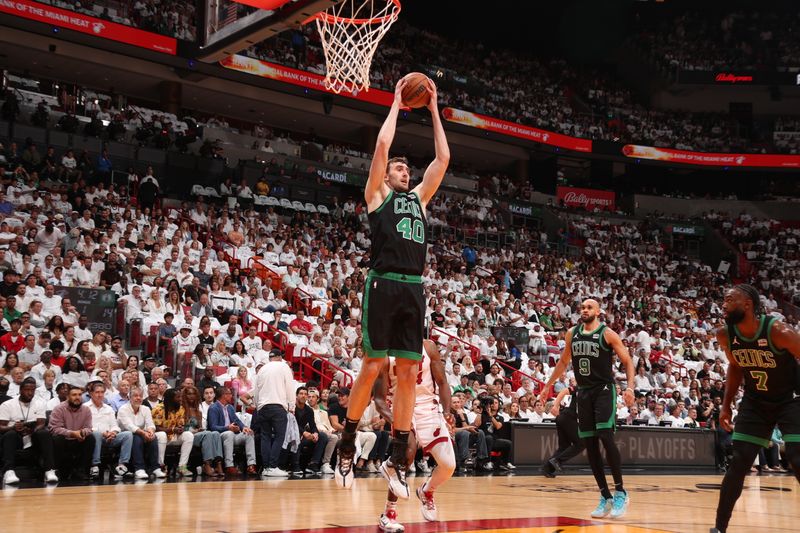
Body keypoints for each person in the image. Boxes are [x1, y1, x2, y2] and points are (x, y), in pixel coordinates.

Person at [336, 73, 450, 501]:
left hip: (414, 289)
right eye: (399, 167)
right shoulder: (377, 195)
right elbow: (382, 147)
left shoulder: (419, 199)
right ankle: (347, 442)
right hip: (383, 284)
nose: (405, 170)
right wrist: (398, 105)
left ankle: (398, 457)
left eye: (407, 168)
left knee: (406, 374)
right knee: (371, 367)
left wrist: (434, 108)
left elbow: (442, 160)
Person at [712, 285, 800, 533]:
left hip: (790, 398)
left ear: (747, 304)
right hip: (755, 401)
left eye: (730, 299)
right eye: (724, 299)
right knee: (739, 462)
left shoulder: (778, 331)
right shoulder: (725, 334)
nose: (724, 304)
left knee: (797, 457)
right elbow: (735, 367)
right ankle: (719, 528)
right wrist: (725, 406)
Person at [539, 298, 635, 519]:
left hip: (603, 390)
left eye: (589, 307)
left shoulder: (607, 334)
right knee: (590, 444)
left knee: (605, 436)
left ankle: (621, 492)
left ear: (598, 311)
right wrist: (547, 385)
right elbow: (563, 362)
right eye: (582, 307)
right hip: (583, 392)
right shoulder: (573, 333)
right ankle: (605, 496)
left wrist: (629, 388)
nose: (585, 310)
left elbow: (628, 361)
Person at [373, 339, 456, 531]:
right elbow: (379, 399)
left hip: (429, 407)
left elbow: (442, 382)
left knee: (448, 466)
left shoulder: (428, 347)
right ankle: (388, 514)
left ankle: (426, 491)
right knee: (407, 453)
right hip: (402, 405)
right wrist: (396, 420)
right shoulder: (385, 354)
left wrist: (447, 412)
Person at [0, 377, 58, 484]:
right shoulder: (7, 405)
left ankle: (49, 470)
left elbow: (41, 423)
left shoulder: (39, 403)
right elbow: (1, 426)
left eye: (32, 390)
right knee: (10, 434)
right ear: (20, 390)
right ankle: (9, 471)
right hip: (15, 437)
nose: (30, 393)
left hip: (32, 436)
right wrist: (13, 427)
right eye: (27, 390)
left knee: (44, 433)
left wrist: (33, 430)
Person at [253, 349, 295, 477]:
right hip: (278, 405)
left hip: (263, 406)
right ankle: (273, 466)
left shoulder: (262, 369)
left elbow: (256, 390)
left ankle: (266, 467)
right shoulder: (284, 366)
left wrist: (257, 406)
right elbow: (289, 386)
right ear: (279, 357)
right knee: (279, 436)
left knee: (265, 436)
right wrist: (291, 405)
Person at [86, 381, 133, 479]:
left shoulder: (108, 408)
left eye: (102, 392)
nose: (100, 395)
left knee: (128, 434)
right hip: (93, 438)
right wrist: (103, 433)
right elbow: (86, 426)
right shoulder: (85, 407)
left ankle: (122, 466)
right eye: (97, 392)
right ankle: (95, 466)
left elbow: (115, 425)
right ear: (91, 393)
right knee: (97, 434)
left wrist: (113, 433)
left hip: (109, 437)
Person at [48, 385, 95, 481]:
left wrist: (82, 432)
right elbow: (54, 428)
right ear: (68, 397)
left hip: (78, 440)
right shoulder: (59, 409)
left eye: (79, 395)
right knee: (57, 438)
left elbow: (89, 428)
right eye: (74, 395)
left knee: (91, 438)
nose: (77, 397)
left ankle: (81, 470)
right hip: (64, 439)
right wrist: (72, 433)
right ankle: (61, 471)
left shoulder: (86, 410)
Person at [207, 386, 257, 476]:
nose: (231, 396)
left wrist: (244, 427)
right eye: (229, 394)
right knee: (229, 433)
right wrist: (228, 428)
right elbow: (213, 427)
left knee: (248, 434)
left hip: (232, 434)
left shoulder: (230, 407)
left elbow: (237, 421)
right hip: (220, 436)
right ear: (224, 395)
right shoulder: (213, 408)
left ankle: (251, 465)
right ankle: (229, 466)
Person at [117, 387, 164, 479]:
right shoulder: (123, 409)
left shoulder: (145, 409)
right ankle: (139, 468)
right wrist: (143, 433)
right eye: (135, 396)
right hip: (127, 435)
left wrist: (150, 431)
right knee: (136, 437)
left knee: (153, 437)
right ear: (129, 398)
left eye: (140, 396)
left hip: (142, 433)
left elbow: (150, 424)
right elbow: (129, 426)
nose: (138, 398)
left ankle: (156, 468)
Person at [541, 387, 584, 478]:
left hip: (563, 417)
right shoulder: (584, 387)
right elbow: (564, 390)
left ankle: (547, 468)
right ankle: (558, 460)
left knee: (564, 446)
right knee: (581, 443)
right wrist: (555, 406)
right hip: (569, 417)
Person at [152, 388, 195, 477]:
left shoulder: (181, 408)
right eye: (178, 397)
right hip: (160, 438)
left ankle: (182, 467)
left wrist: (181, 429)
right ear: (170, 399)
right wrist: (172, 429)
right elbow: (156, 428)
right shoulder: (158, 409)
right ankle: (160, 466)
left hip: (173, 436)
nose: (180, 399)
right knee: (162, 435)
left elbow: (180, 425)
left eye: (180, 397)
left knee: (188, 435)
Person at [290, 386, 329, 477]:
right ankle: (295, 466)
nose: (303, 396)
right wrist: (303, 432)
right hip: (290, 435)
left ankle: (313, 464)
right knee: (296, 437)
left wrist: (315, 433)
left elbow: (313, 425)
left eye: (305, 394)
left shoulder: (309, 410)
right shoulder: (292, 408)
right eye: (301, 394)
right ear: (296, 396)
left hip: (303, 436)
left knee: (322, 436)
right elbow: (292, 424)